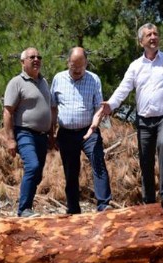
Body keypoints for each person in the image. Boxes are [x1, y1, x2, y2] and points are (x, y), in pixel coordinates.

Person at [103, 23, 163, 207]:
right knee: (146, 159)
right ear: (141, 41)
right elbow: (123, 89)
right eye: (149, 35)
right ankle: (149, 200)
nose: (153, 37)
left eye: (155, 34)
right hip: (143, 119)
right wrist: (110, 105)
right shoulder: (135, 66)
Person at [50, 47, 112, 214]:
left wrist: (94, 126)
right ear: (68, 62)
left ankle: (104, 205)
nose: (77, 70)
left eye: (81, 66)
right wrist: (52, 132)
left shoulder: (94, 79)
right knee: (71, 171)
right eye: (73, 66)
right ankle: (73, 209)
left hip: (89, 131)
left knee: (98, 162)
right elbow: (53, 108)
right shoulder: (58, 79)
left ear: (86, 63)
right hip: (66, 133)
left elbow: (99, 107)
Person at [3, 47, 55, 217]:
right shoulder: (16, 82)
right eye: (31, 57)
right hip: (24, 133)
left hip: (42, 136)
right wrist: (10, 139)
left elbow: (50, 110)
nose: (36, 59)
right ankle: (23, 209)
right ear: (22, 62)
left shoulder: (44, 82)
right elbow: (8, 112)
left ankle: (28, 208)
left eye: (39, 57)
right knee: (32, 166)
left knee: (37, 174)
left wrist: (51, 135)